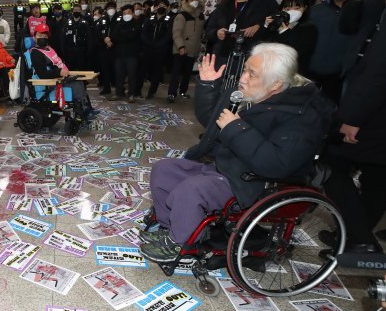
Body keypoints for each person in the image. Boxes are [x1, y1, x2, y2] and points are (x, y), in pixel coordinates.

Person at [141, 44, 334, 261]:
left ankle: (180, 242)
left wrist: (236, 128)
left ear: (276, 84)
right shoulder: (251, 93)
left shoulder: (302, 116)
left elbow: (276, 163)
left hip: (254, 182)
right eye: (245, 70)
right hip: (226, 165)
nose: (243, 78)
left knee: (190, 190)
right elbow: (213, 121)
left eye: (252, 74)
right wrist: (207, 85)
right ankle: (172, 227)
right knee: (164, 170)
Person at [319, 0, 386, 255]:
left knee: (331, 163)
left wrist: (353, 117)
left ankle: (359, 239)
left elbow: (380, 71)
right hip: (378, 107)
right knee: (380, 175)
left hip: (377, 111)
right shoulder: (376, 4)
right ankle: (351, 238)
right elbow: (349, 27)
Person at [206, 0, 279, 65]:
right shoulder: (224, 4)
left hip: (251, 57)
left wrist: (261, 26)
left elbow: (275, 28)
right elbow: (209, 30)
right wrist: (217, 32)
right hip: (223, 56)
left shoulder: (266, 2)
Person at [307, 0, 362, 102]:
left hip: (341, 74)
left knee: (331, 108)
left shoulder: (363, 10)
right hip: (310, 70)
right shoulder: (315, 10)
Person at [30, 23, 93, 119]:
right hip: (52, 81)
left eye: (45, 36)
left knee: (81, 82)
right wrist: (58, 72)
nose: (43, 38)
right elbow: (42, 74)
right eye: (40, 35)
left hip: (61, 76)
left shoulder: (49, 48)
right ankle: (83, 113)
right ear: (34, 37)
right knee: (76, 85)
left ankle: (88, 109)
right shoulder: (35, 53)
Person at [260, 0, 318, 77]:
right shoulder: (278, 23)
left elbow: (296, 51)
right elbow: (263, 43)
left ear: (305, 8)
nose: (292, 11)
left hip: (295, 73)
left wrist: (284, 31)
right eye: (287, 9)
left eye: (297, 8)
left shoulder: (309, 28)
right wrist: (266, 26)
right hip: (272, 71)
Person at [168, 0, 205, 102]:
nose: (194, 1)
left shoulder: (201, 16)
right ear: (187, 1)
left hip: (193, 49)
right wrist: (180, 46)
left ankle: (183, 91)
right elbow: (176, 32)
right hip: (181, 49)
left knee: (187, 73)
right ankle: (172, 93)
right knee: (176, 72)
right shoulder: (182, 15)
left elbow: (202, 33)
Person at [141, 0, 173, 99]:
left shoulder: (170, 19)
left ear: (167, 7)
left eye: (163, 5)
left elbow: (168, 35)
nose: (161, 7)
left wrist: (158, 44)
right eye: (159, 5)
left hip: (160, 50)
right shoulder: (149, 19)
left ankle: (152, 92)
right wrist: (149, 43)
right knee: (142, 70)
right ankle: (137, 90)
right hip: (147, 49)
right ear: (155, 7)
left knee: (156, 72)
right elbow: (143, 33)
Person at [110, 5, 142, 102]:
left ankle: (131, 94)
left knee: (132, 76)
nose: (126, 15)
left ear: (132, 13)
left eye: (128, 12)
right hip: (119, 54)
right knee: (119, 75)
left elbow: (132, 36)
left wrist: (122, 36)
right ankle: (118, 93)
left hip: (132, 55)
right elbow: (114, 36)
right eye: (124, 13)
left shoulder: (136, 24)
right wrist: (124, 37)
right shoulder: (118, 24)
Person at [91, 3, 116, 95]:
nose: (110, 10)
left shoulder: (117, 19)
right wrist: (105, 39)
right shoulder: (101, 21)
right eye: (109, 8)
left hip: (114, 48)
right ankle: (106, 88)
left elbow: (118, 31)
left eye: (112, 8)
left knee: (115, 69)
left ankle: (117, 87)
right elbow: (97, 32)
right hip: (102, 49)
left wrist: (111, 40)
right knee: (104, 70)